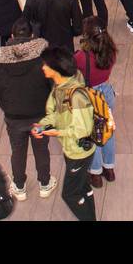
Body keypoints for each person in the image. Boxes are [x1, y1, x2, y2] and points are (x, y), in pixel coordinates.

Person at [0, 18, 54, 201]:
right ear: (31, 36)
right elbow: (54, 84)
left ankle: (19, 186)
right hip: (40, 116)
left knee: (18, 150)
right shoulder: (42, 58)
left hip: (13, 117)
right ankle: (45, 183)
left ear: (11, 36)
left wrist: (5, 97)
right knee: (41, 149)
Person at [33, 47, 97, 220]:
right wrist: (42, 125)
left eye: (46, 65)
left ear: (56, 70)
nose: (42, 68)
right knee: (82, 185)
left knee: (70, 194)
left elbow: (81, 130)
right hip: (71, 149)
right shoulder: (60, 86)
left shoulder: (76, 96)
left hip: (79, 151)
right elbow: (56, 113)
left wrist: (56, 132)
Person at [77, 16, 118, 188]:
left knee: (92, 136)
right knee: (107, 133)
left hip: (89, 97)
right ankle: (109, 169)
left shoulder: (81, 57)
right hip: (106, 94)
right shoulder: (111, 50)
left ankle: (95, 174)